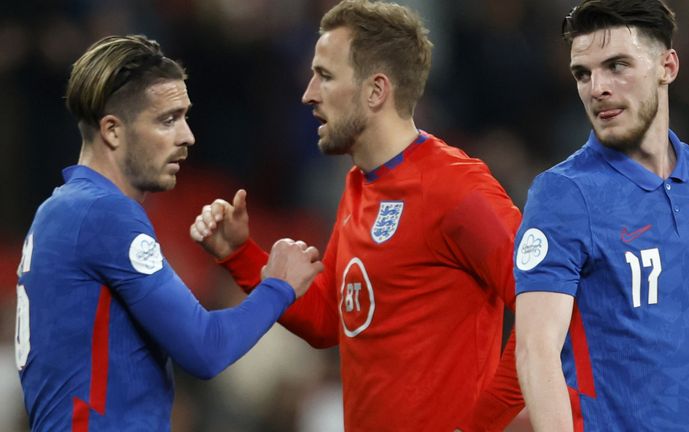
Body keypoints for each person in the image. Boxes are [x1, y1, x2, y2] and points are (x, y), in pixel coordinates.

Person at [189, 0, 526, 430]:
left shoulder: (457, 188)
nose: (308, 92)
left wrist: (481, 424)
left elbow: (548, 309)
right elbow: (332, 319)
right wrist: (240, 255)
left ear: (376, 90)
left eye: (325, 76)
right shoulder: (358, 186)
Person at [14, 34, 323, 431]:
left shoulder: (59, 212)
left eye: (185, 117)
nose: (187, 136)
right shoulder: (102, 213)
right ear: (112, 130)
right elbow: (204, 349)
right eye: (167, 120)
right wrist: (278, 286)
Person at [513, 0, 689, 430]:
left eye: (617, 65)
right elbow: (535, 350)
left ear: (667, 67)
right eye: (583, 73)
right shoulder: (564, 194)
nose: (597, 87)